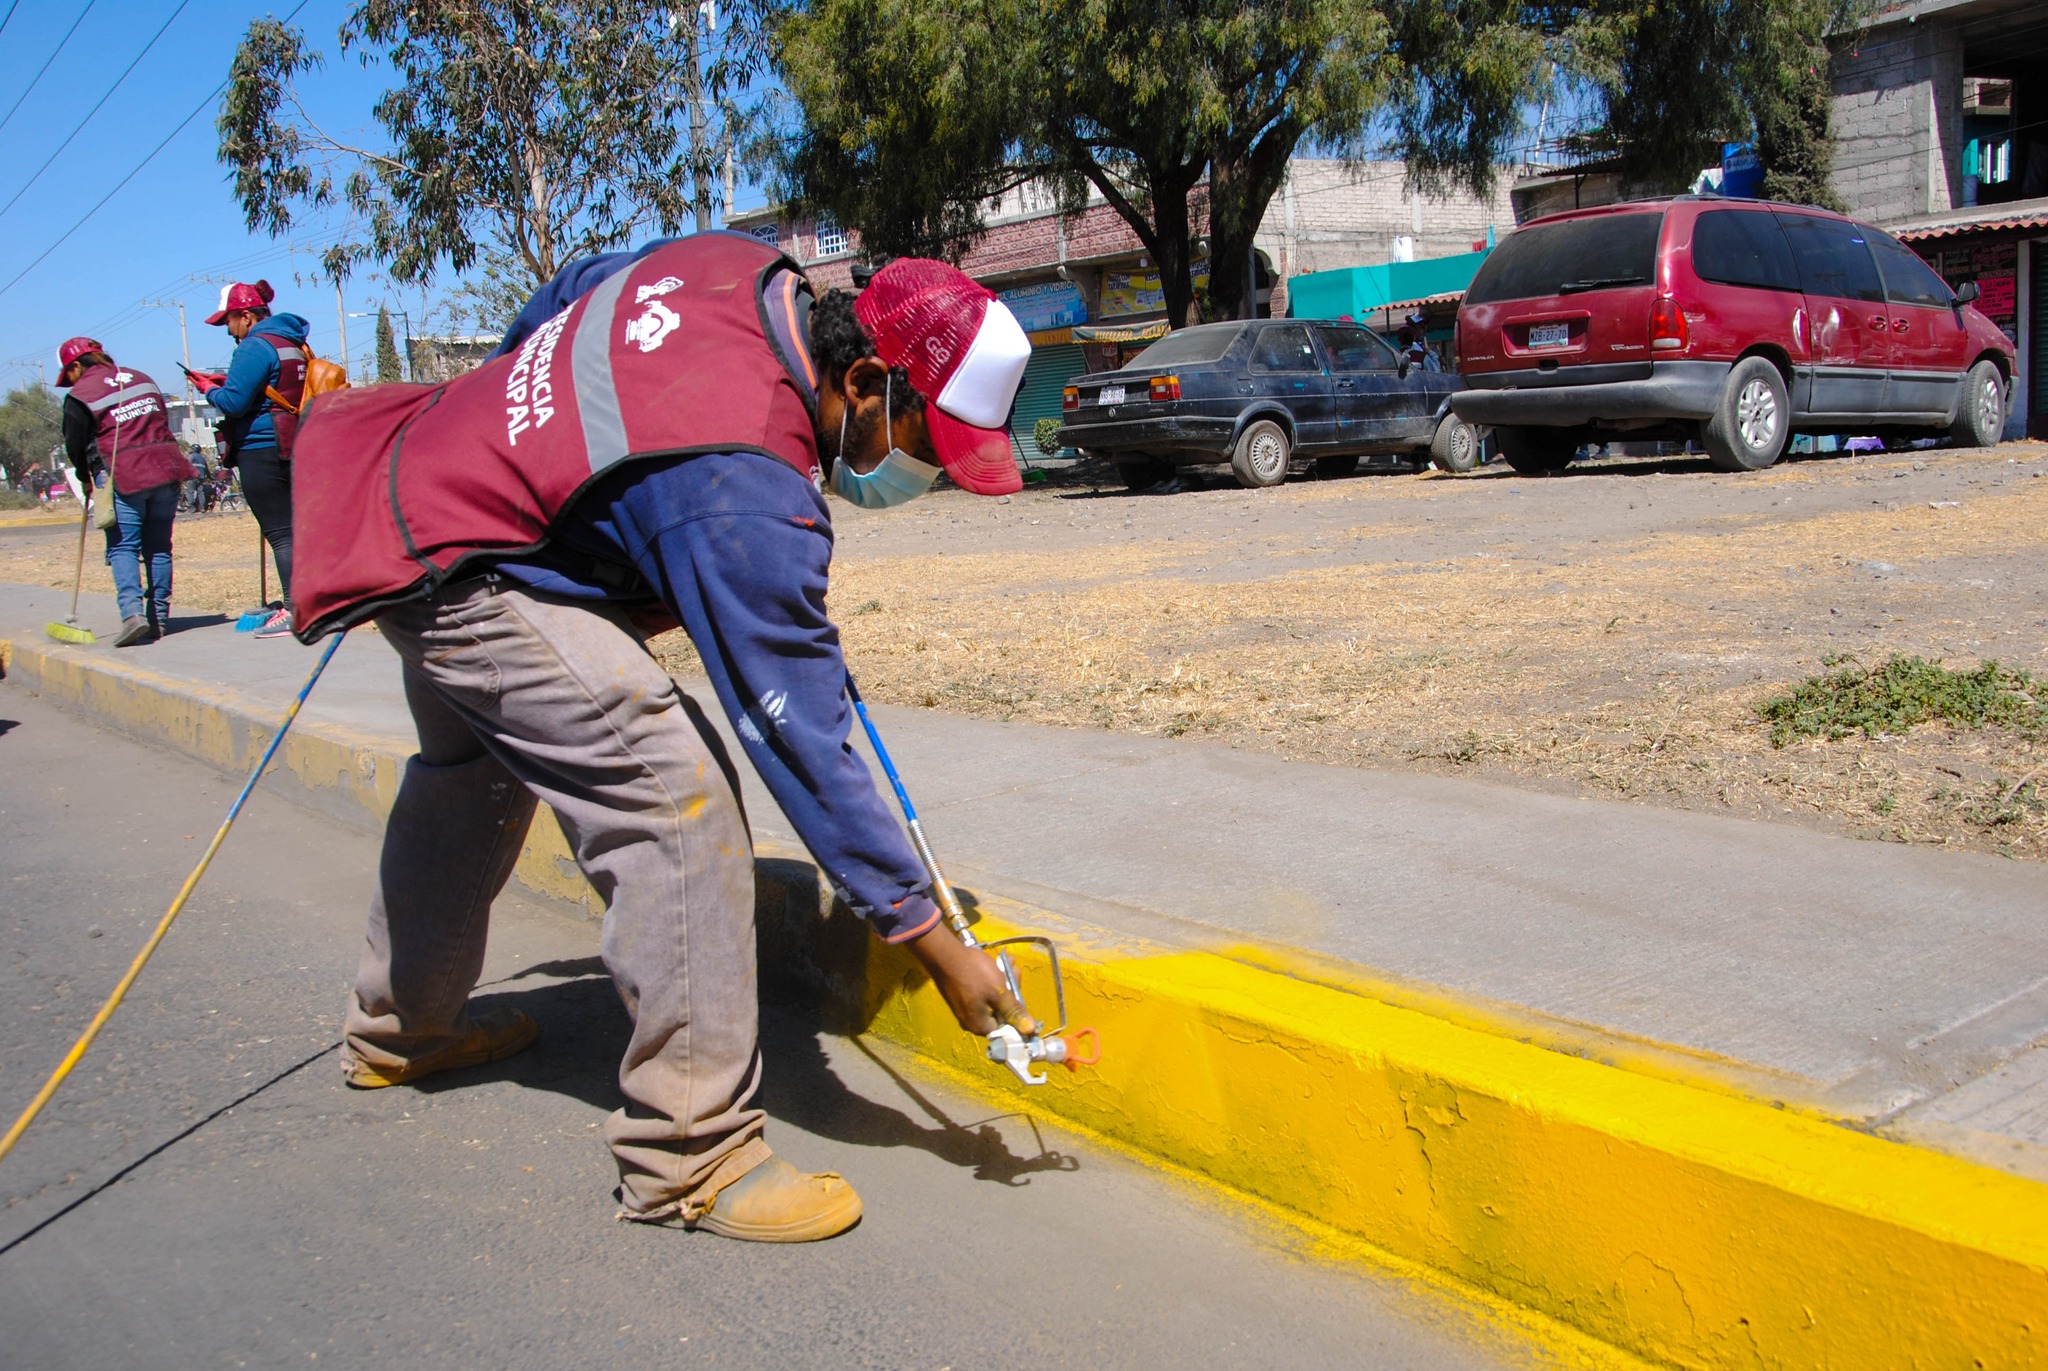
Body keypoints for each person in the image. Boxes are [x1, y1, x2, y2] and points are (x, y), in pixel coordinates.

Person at [287, 233, 1038, 1239]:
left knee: (472, 769)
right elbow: (799, 737)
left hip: (423, 494)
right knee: (670, 798)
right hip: (470, 565)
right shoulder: (742, 486)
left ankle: (400, 1028)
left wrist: (503, 443)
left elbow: (560, 297)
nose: (918, 472)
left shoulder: (736, 265)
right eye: (918, 442)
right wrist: (925, 935)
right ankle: (691, 1155)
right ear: (862, 378)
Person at [55, 337, 196, 646]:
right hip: (167, 470)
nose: (70, 383)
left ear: (77, 366)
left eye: (69, 375)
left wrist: (85, 477)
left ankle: (133, 615)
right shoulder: (142, 378)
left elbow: (75, 445)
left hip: (125, 477)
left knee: (123, 547)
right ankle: (158, 616)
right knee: (159, 547)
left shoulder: (81, 395)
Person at [191, 279, 310, 639]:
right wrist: (229, 381)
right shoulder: (292, 341)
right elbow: (270, 386)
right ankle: (311, 601)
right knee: (299, 529)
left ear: (245, 316)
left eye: (228, 321)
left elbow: (234, 403)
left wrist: (209, 389)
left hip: (261, 446)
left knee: (280, 533)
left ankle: (294, 610)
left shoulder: (254, 346)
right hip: (296, 441)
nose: (228, 330)